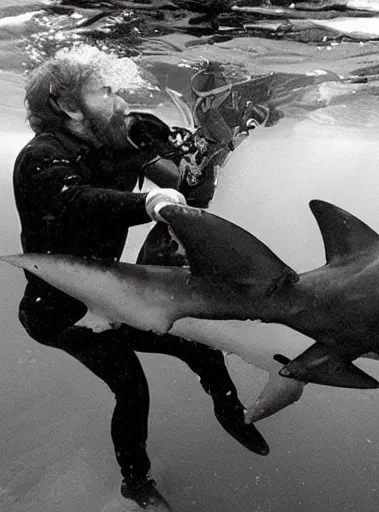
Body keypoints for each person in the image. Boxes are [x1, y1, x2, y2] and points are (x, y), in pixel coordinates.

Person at [12, 47, 269, 509]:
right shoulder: (40, 157)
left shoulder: (118, 141)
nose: (122, 102)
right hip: (58, 311)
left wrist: (201, 156)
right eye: (107, 92)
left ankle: (231, 411)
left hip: (113, 299)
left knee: (201, 349)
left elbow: (187, 189)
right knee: (131, 387)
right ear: (70, 107)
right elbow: (75, 202)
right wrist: (146, 204)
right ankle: (137, 483)